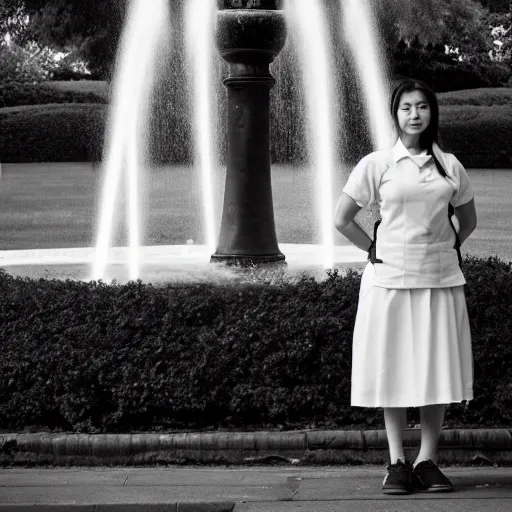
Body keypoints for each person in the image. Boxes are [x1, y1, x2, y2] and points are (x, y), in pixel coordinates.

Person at [334, 78, 477, 495]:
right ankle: (396, 461)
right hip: (388, 281)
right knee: (392, 366)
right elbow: (343, 219)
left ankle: (427, 460)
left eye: (422, 107)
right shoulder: (376, 164)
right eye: (406, 108)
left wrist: (443, 249)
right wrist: (373, 248)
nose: (415, 115)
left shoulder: (450, 165)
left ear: (432, 113)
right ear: (395, 115)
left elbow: (466, 222)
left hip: (439, 279)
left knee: (437, 368)